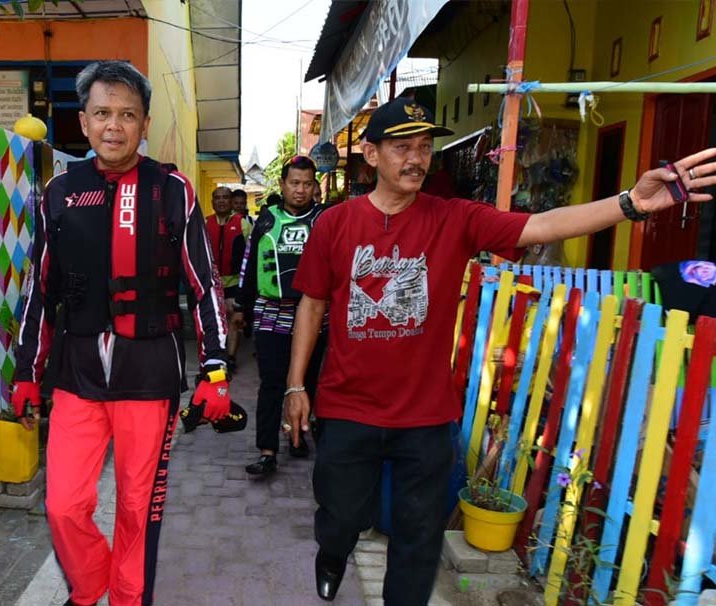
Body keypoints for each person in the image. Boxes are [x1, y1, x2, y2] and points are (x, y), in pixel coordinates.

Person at [282, 97, 716, 604]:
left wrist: (630, 203)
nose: (416, 159)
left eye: (424, 147)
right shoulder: (335, 223)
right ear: (372, 155)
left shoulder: (454, 218)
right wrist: (295, 385)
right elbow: (312, 304)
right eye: (402, 148)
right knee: (341, 515)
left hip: (424, 414)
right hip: (348, 404)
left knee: (418, 537)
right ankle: (333, 551)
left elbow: (543, 225)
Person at [10, 60, 235, 606]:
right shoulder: (60, 191)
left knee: (138, 507)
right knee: (63, 505)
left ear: (145, 124)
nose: (114, 125)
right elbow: (40, 288)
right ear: (84, 123)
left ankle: (129, 598)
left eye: (128, 115)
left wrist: (216, 368)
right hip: (77, 372)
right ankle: (90, 587)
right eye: (103, 113)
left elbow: (204, 282)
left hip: (149, 372)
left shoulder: (173, 188)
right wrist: (26, 372)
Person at [232, 155, 327, 476]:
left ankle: (297, 437)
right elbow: (248, 265)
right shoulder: (266, 220)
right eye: (294, 183)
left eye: (307, 184)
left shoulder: (324, 220)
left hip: (315, 316)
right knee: (272, 382)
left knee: (307, 381)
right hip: (271, 313)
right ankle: (267, 451)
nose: (300, 190)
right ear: (283, 184)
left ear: (314, 186)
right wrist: (241, 307)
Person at [205, 186, 248, 371]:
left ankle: (230, 358)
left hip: (235, 281)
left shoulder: (243, 224)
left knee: (234, 319)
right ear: (212, 202)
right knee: (213, 321)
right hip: (211, 282)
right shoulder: (204, 223)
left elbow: (251, 255)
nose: (221, 201)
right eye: (218, 198)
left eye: (225, 197)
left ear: (231, 202)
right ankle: (214, 356)